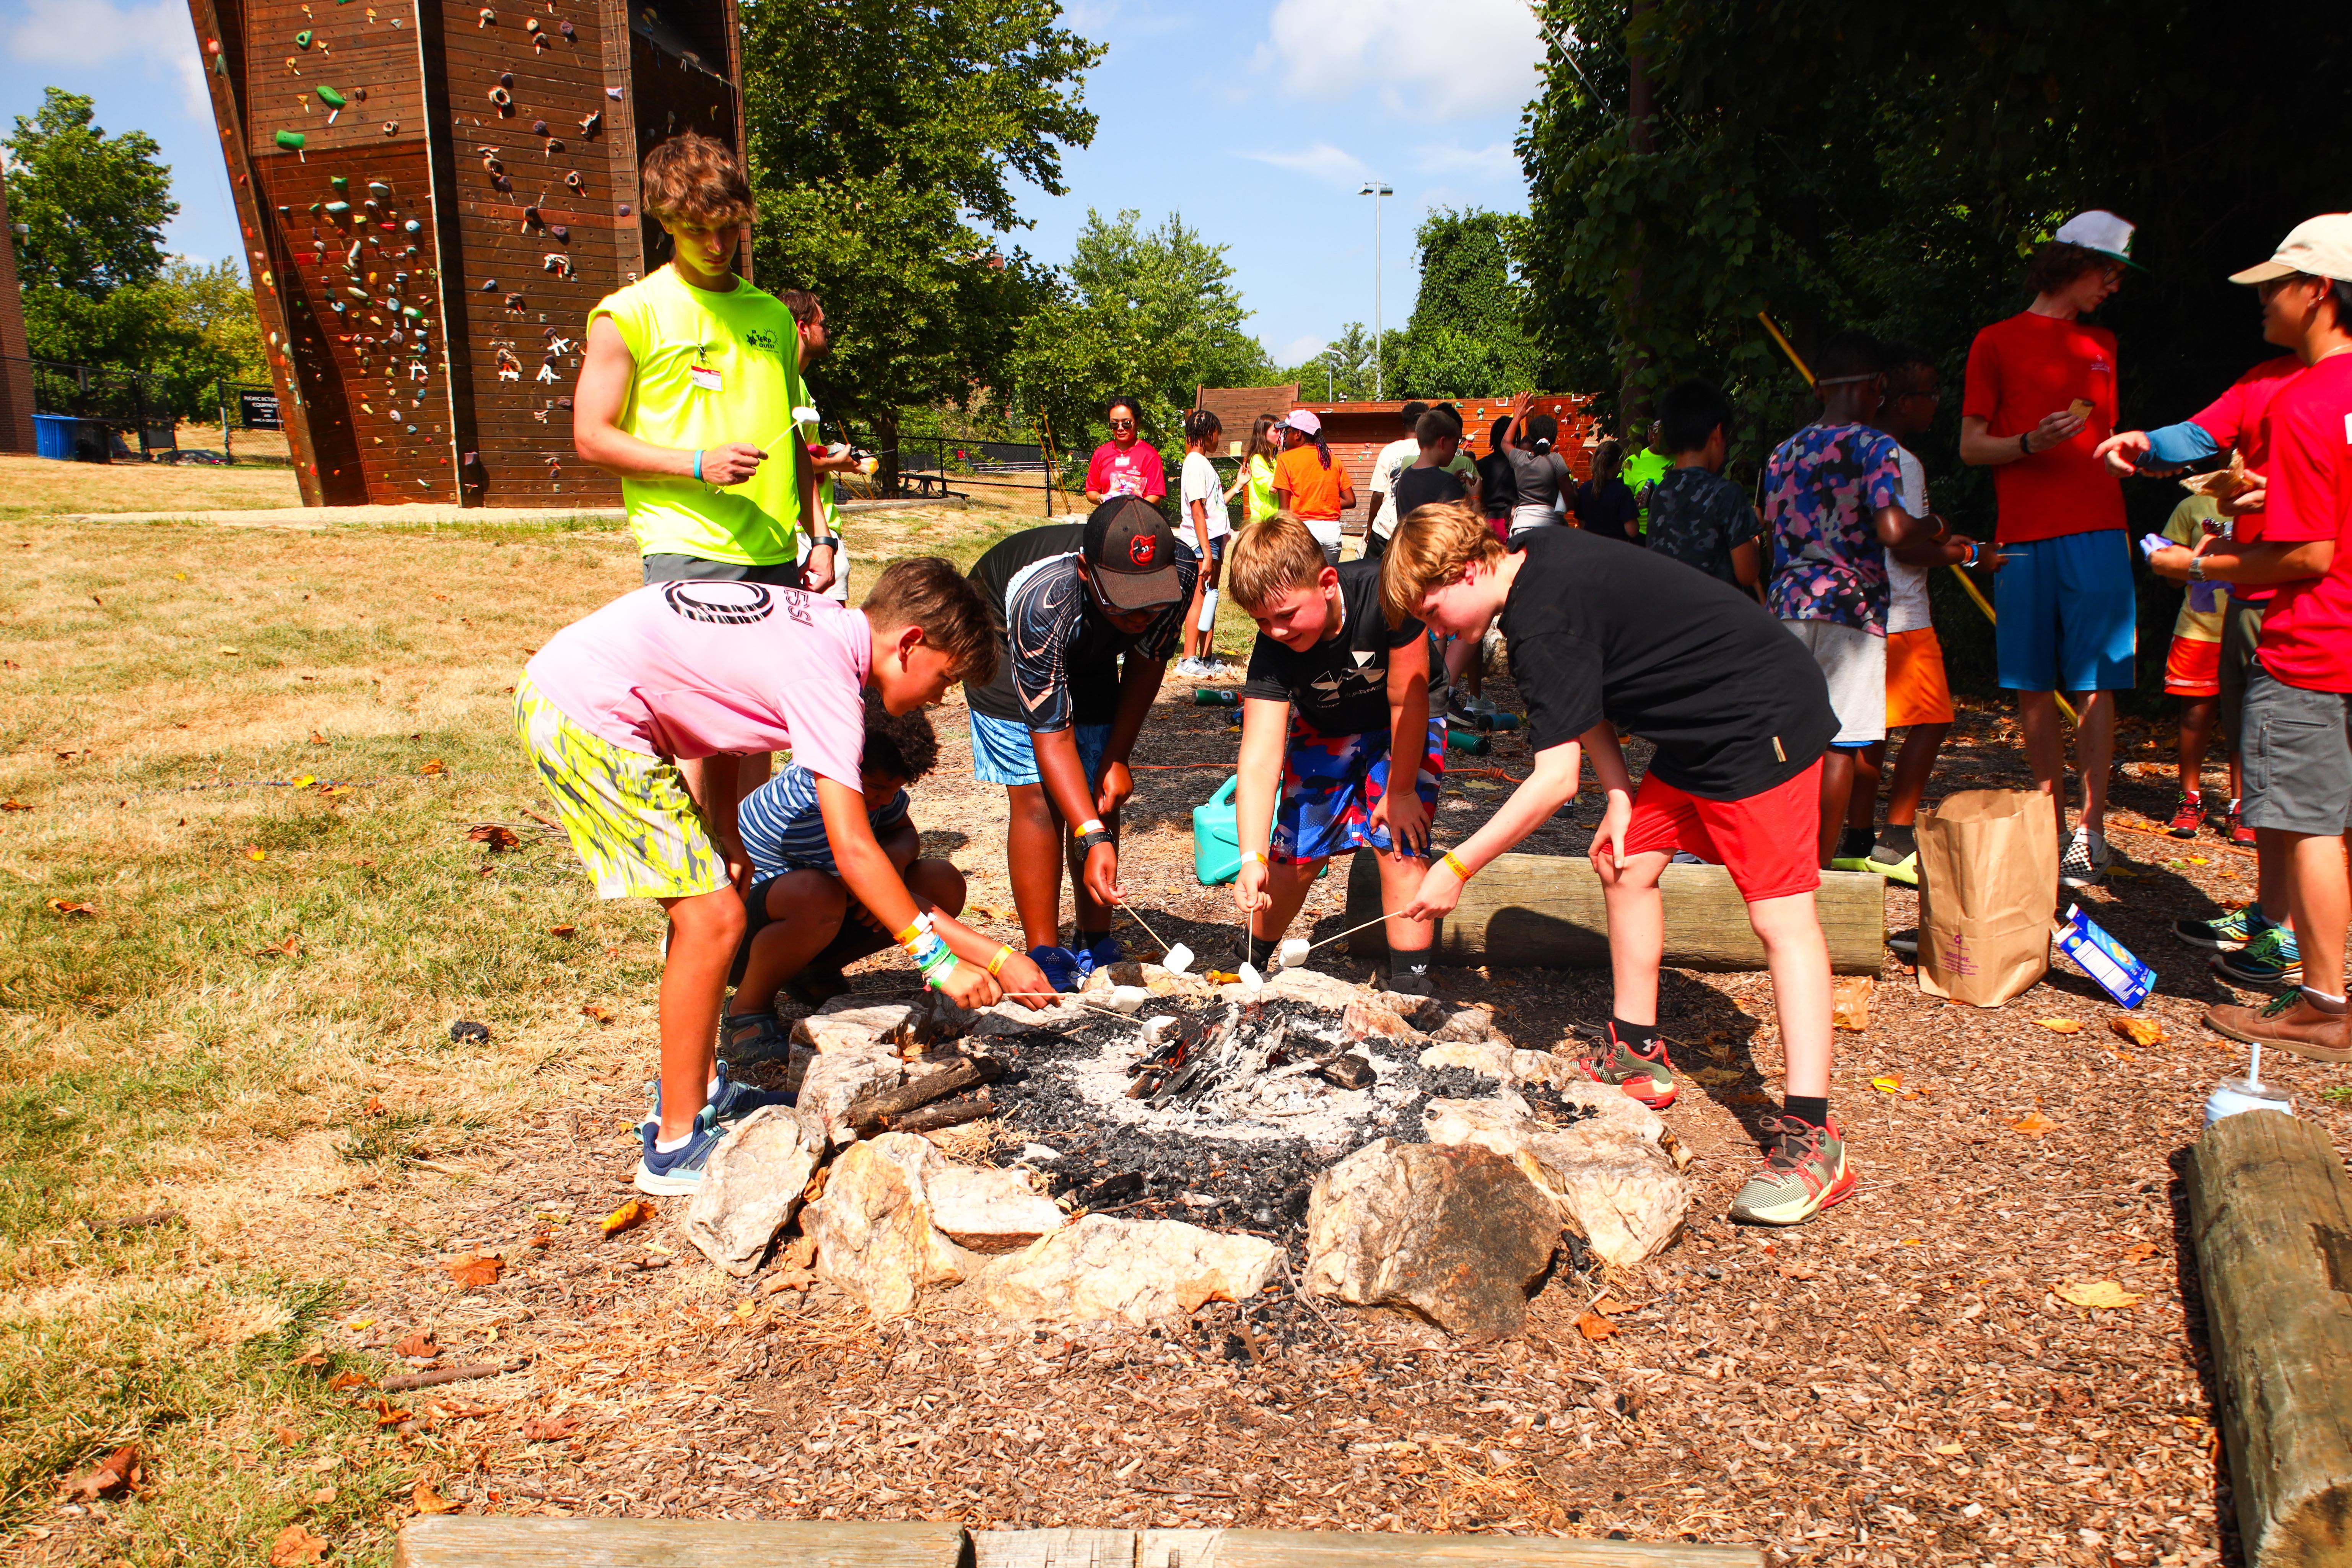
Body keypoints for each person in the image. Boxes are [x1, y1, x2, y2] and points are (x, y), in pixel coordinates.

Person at [1382, 503, 1855, 1227]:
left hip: (1760, 718)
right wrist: (1622, 792)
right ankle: (1638, 1055)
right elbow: (1588, 691)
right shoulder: (1534, 565)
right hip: (1697, 729)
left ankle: (1813, 1137)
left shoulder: (1539, 621)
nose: (1437, 629)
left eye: (1436, 609)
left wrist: (1458, 865)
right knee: (1625, 862)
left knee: (1780, 915)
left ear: (1469, 567)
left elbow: (1550, 781)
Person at [516, 559, 1004, 1193]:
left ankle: (699, 1090)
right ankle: (675, 1144)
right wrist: (937, 961)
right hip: (591, 713)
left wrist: (725, 829)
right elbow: (853, 846)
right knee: (712, 920)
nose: (940, 699)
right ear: (911, 644)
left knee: (715, 909)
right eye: (945, 680)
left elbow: (723, 714)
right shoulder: (828, 678)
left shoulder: (824, 629)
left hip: (578, 688)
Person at [573, 132, 833, 816]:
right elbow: (591, 437)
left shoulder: (772, 316)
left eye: (729, 228)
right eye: (698, 231)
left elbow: (795, 433)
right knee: (699, 733)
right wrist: (696, 464)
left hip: (774, 551)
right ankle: (702, 903)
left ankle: (751, 889)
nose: (717, 245)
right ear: (664, 222)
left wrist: (820, 539)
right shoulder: (629, 313)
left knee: (758, 735)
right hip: (689, 546)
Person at [2148, 215, 2352, 1054]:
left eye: (2277, 284)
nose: (2265, 300)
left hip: (2311, 642)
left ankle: (2326, 1005)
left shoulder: (2305, 399)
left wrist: (2201, 566)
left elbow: (2308, 553)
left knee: (2307, 825)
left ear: (2319, 292)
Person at [1959, 209, 2140, 890]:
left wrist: (2135, 460)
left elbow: (2105, 442)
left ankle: (2090, 833)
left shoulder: (2104, 345)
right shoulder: (1996, 341)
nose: (2114, 287)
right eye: (2108, 272)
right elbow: (1970, 447)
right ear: (2072, 263)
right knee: (2030, 684)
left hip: (2099, 528)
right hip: (2025, 537)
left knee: (2099, 681)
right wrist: (2028, 444)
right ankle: (2049, 824)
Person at [965, 501, 1197, 991]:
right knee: (1039, 798)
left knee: (1100, 787)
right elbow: (1052, 735)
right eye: (1127, 598)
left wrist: (1117, 756)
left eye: (1150, 598)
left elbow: (1147, 659)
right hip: (1007, 642)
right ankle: (1045, 950)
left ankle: (1095, 937)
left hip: (1086, 637)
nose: (1141, 612)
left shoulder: (1179, 571)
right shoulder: (1041, 598)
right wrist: (1091, 837)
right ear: (1087, 570)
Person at [727, 692, 1051, 1025]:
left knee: (941, 881)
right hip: (744, 941)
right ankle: (748, 1010)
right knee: (815, 894)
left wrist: (892, 860)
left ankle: (812, 970)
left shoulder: (873, 789)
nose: (883, 801)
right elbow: (876, 894)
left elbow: (904, 833)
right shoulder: (802, 808)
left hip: (820, 915)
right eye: (876, 788)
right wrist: (999, 959)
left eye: (893, 791)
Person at [1227, 514, 1444, 997]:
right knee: (1294, 853)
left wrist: (1402, 788)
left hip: (1404, 719)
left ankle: (1411, 983)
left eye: (1285, 615)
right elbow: (1261, 757)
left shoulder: (1385, 592)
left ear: (1327, 583)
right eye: (1262, 621)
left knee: (1397, 837)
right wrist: (1250, 855)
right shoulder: (1273, 648)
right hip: (1326, 729)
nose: (1276, 631)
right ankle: (1252, 959)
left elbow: (1406, 700)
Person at [2100, 352, 2305, 856]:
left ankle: (2247, 815)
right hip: (2221, 616)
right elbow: (2194, 435)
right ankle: (2196, 804)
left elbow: (2313, 545)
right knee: (2220, 722)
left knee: (2277, 752)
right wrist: (2144, 446)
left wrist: (2194, 564)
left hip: (2295, 611)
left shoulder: (2325, 393)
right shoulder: (2259, 381)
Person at [1763, 334, 1939, 867]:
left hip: (1786, 603)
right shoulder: (1876, 447)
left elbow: (1768, 527)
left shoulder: (1782, 452)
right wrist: (1933, 524)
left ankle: (1773, 854)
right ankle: (1813, 871)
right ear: (1877, 387)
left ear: (1818, 389)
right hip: (1852, 608)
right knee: (1840, 743)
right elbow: (1893, 529)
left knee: (1787, 739)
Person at [1837, 346, 1981, 883]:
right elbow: (1905, 547)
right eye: (1930, 394)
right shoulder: (1902, 460)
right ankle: (1895, 839)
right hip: (1902, 610)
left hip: (1858, 611)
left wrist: (1941, 535)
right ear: (1901, 402)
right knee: (1931, 719)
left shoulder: (1851, 452)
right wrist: (1969, 555)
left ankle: (1855, 837)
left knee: (1870, 727)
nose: (1936, 405)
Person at [2154, 494, 2230, 838]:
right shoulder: (2191, 505)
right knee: (2195, 717)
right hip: (2198, 629)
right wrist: (2182, 558)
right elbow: (2171, 578)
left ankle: (2241, 805)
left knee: (2248, 720)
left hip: (2255, 627)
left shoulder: (2275, 500)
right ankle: (2190, 799)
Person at [781, 289, 864, 604]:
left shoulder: (798, 383)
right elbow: (789, 457)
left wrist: (830, 452)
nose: (827, 332)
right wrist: (837, 463)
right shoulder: (787, 385)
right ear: (803, 328)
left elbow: (806, 448)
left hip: (816, 527)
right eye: (822, 325)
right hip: (805, 531)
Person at [1644, 378, 1762, 589]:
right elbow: (1748, 573)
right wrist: (1754, 535)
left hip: (1667, 612)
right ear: (1717, 434)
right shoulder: (1726, 494)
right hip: (1715, 616)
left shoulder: (1661, 492)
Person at [1369, 402, 1480, 558]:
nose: (1456, 450)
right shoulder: (1448, 484)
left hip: (1408, 555)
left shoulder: (1405, 476)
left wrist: (1451, 482)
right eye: (1455, 444)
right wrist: (1475, 497)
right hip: (1433, 561)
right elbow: (1470, 532)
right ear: (1442, 442)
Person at [1175, 408, 1230, 677]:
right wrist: (1206, 553)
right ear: (1209, 433)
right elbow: (1197, 510)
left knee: (1211, 597)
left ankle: (1207, 657)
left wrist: (1238, 486)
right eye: (1218, 434)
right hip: (1201, 542)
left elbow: (1213, 508)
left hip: (1212, 539)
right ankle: (1188, 658)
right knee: (1199, 597)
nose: (1218, 439)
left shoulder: (1202, 464)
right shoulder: (1195, 463)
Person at [1272, 410, 1355, 565]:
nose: (1283, 437)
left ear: (1298, 435)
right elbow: (1350, 500)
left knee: (1302, 585)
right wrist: (1323, 504)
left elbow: (1284, 511)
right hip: (1332, 533)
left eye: (1287, 431)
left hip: (1303, 531)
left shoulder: (1285, 459)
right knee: (1328, 584)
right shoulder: (1333, 459)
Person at [1501, 394, 1572, 536]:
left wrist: (1517, 417)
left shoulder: (1520, 458)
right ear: (1554, 438)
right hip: (1550, 527)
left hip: (1521, 527)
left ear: (1530, 437)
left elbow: (1505, 443)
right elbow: (1569, 498)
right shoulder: (1556, 460)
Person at [1083, 395, 1166, 507]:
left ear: (1137, 422)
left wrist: (1134, 508)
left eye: (1126, 423)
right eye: (1114, 424)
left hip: (1138, 518)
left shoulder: (1150, 455)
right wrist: (1100, 498)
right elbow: (1091, 491)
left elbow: (1156, 495)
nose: (1120, 428)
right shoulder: (1101, 454)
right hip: (1109, 518)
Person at [1573, 438, 1640, 545]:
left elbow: (1582, 526)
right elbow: (1632, 531)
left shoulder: (1584, 489)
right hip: (1616, 551)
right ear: (1618, 464)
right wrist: (1633, 510)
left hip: (1591, 548)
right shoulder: (1623, 492)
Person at [1229, 413, 1284, 527]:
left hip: (1276, 522)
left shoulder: (1277, 459)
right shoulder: (1257, 460)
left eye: (1281, 431)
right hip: (1262, 525)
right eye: (1276, 431)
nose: (1280, 434)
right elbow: (1274, 488)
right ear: (1263, 434)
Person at [1619, 423, 1672, 540]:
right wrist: (1633, 503)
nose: (1669, 442)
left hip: (1671, 532)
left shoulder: (1681, 460)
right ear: (1653, 435)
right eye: (1665, 438)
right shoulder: (1633, 461)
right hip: (1641, 533)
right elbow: (1621, 500)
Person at [1476, 411, 1519, 538]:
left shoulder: (1481, 464)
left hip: (1488, 522)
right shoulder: (1520, 465)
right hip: (1513, 522)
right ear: (1516, 437)